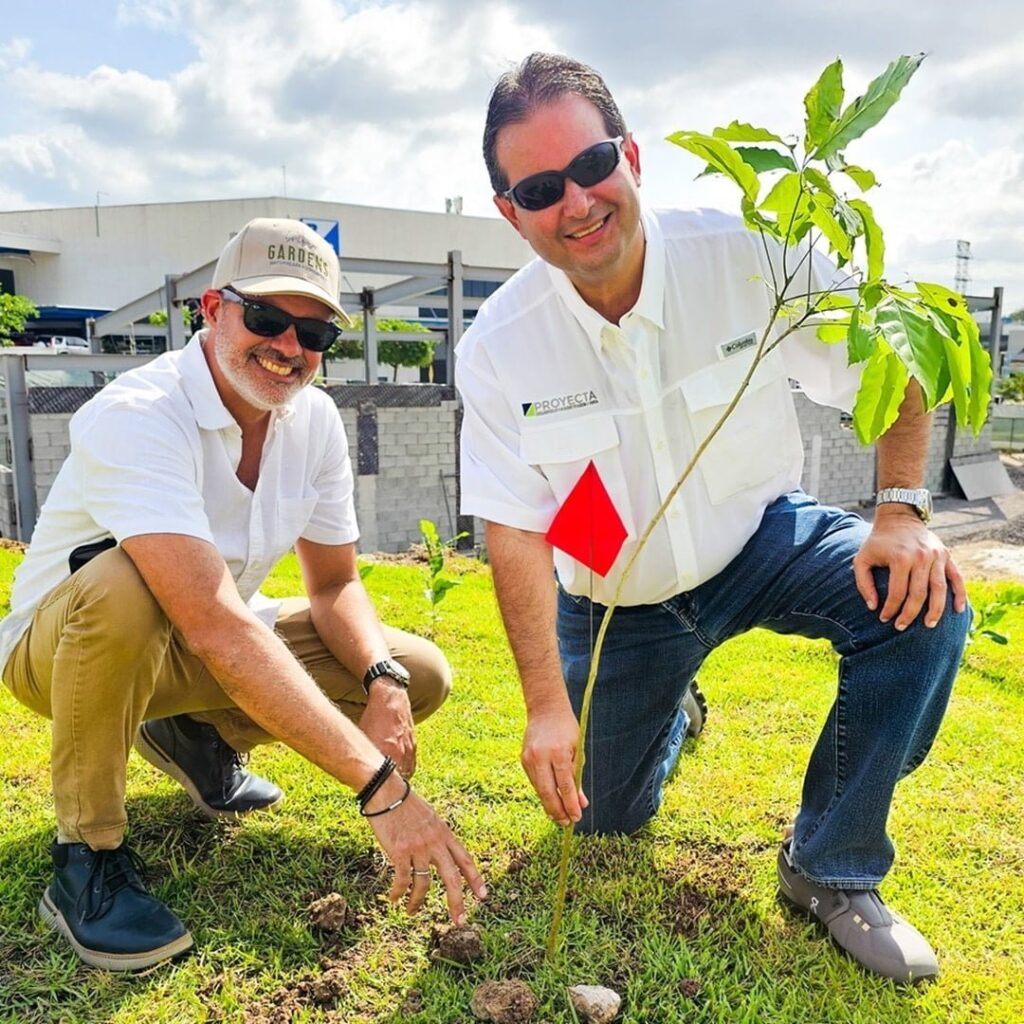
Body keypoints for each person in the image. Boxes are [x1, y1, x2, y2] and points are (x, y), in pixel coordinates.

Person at [455, 53, 969, 984]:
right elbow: (514, 526)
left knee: (925, 601)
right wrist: (542, 707)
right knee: (606, 816)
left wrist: (900, 512)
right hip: (618, 596)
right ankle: (673, 714)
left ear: (633, 156)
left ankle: (830, 867)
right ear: (510, 211)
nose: (575, 202)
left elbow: (891, 352)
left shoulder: (747, 255)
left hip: (759, 536)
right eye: (539, 187)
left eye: (591, 164)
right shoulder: (497, 348)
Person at [1, 217, 486, 971]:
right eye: (265, 318)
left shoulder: (313, 419)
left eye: (315, 333)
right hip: (60, 655)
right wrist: (379, 787)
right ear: (211, 308)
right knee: (126, 582)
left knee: (416, 669)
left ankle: (199, 735)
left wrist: (381, 681)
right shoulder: (139, 413)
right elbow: (214, 622)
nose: (290, 348)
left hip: (189, 644)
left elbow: (334, 584)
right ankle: (85, 859)